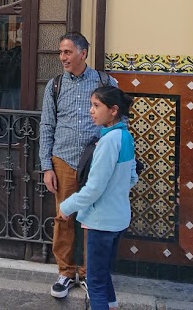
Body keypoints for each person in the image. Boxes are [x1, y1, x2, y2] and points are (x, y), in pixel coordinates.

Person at [39, 32, 118, 298]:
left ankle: (88, 273)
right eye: (61, 52)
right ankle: (65, 272)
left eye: (68, 52)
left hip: (96, 164)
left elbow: (119, 123)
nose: (63, 58)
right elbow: (47, 125)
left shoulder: (106, 83)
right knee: (63, 217)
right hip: (63, 159)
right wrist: (46, 166)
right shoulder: (55, 85)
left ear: (83, 53)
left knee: (93, 219)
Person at [59, 85, 137, 310]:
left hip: (101, 222)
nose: (91, 111)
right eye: (91, 105)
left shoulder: (108, 141)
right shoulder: (125, 136)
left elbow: (94, 189)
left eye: (96, 105)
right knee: (103, 276)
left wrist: (66, 206)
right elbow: (132, 177)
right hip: (119, 218)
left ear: (113, 110)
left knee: (95, 283)